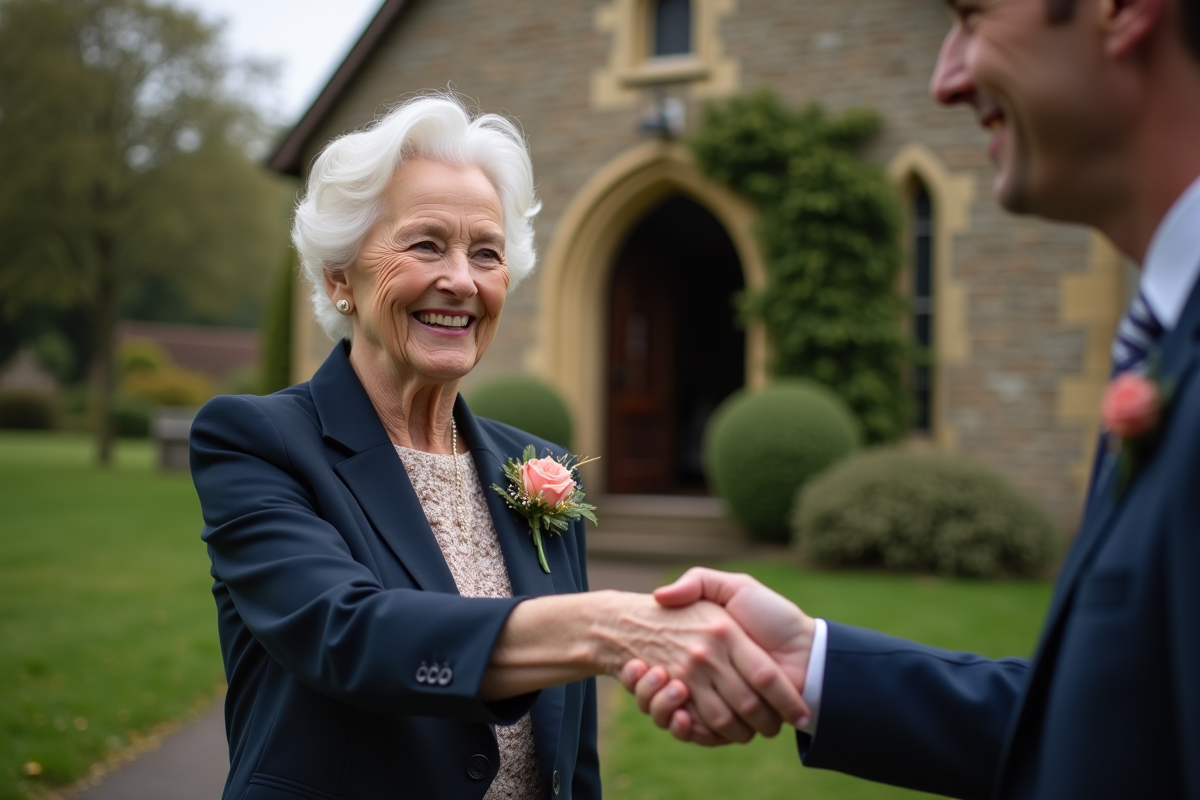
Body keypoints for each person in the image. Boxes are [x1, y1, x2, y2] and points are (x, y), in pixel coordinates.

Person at [625, 0, 1200, 796]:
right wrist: (813, 665)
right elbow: (1118, 730)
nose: (944, 79)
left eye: (972, 16)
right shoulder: (1167, 342)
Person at [190, 94, 809, 800]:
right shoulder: (257, 441)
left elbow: (569, 751)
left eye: (486, 252)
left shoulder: (541, 469)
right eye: (426, 243)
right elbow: (346, 634)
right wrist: (610, 626)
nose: (461, 280)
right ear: (340, 280)